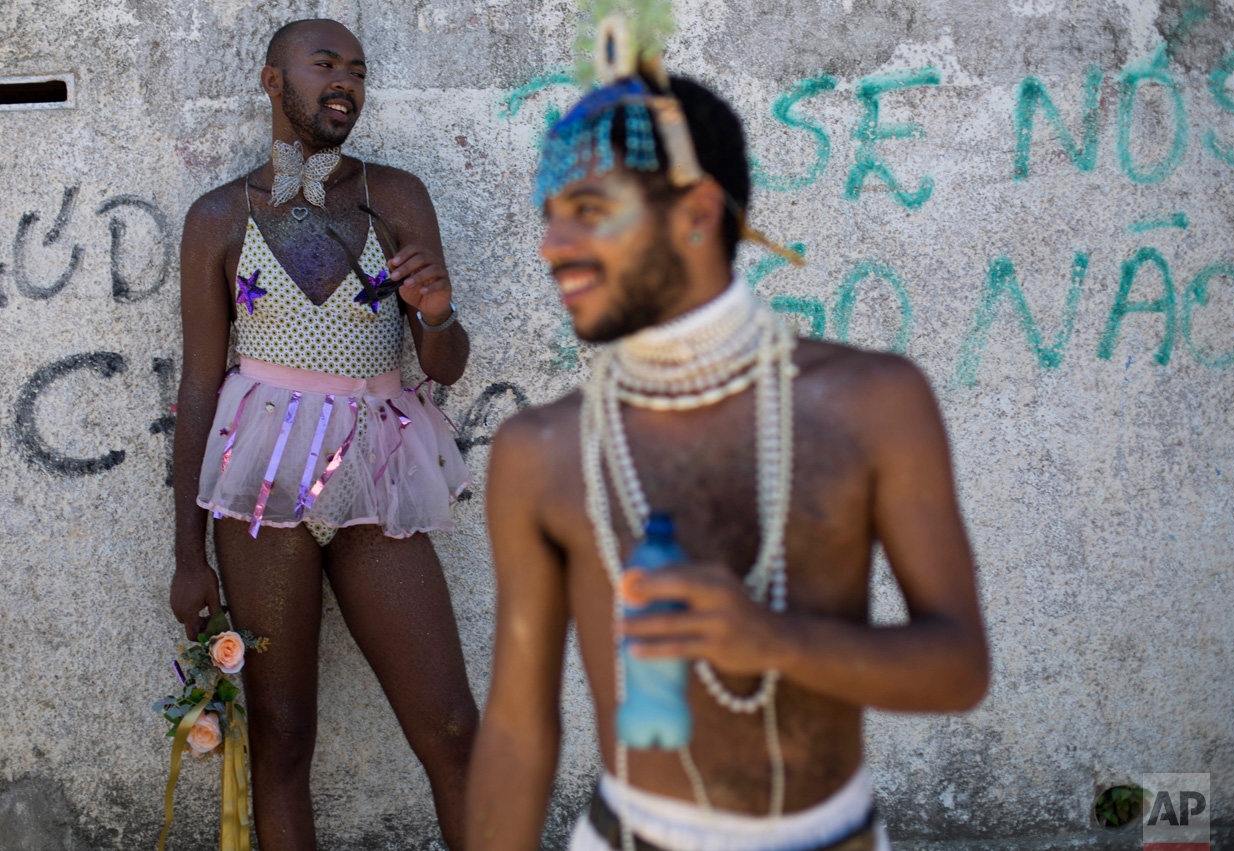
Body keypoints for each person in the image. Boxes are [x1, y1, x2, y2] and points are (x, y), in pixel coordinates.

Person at [466, 18, 989, 851]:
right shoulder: (540, 452)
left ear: (698, 215)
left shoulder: (870, 403)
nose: (552, 246)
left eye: (589, 212)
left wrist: (767, 638)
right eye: (551, 216)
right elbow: (518, 728)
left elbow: (959, 667)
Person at [169, 19, 477, 850]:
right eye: (325, 64)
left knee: (451, 726)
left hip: (377, 472)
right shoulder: (218, 218)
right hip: (261, 486)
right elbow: (200, 386)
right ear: (273, 82)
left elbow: (442, 364)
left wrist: (438, 314)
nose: (345, 81)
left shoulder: (396, 197)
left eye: (358, 69)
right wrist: (187, 555)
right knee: (281, 737)